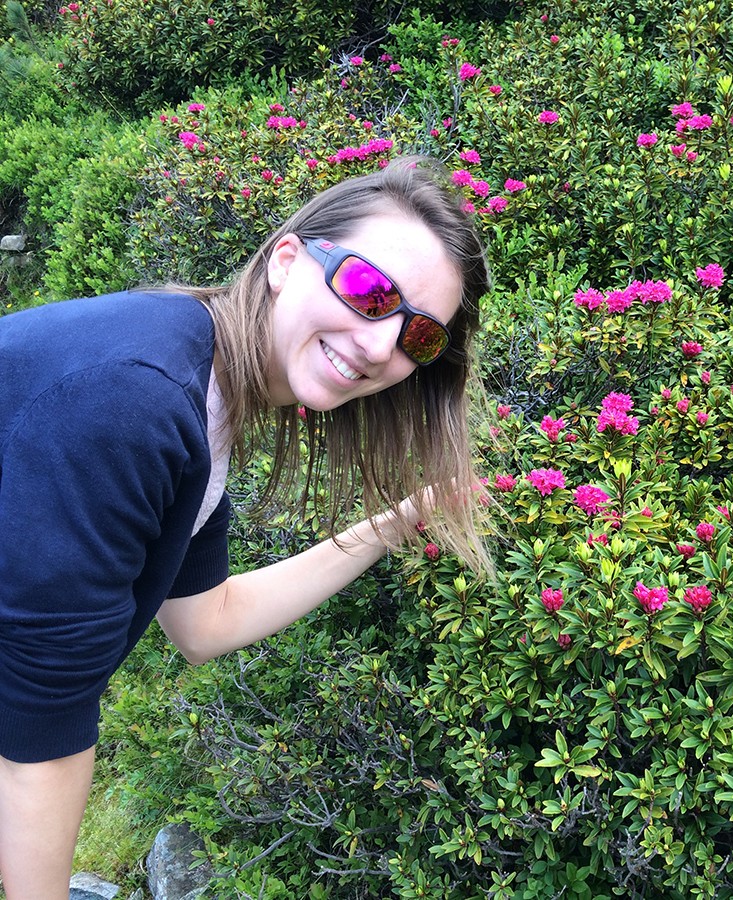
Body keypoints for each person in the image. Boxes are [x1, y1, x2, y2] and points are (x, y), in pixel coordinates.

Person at [0, 155, 492, 899]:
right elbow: (39, 726)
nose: (379, 344)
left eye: (420, 337)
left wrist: (396, 523)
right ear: (287, 261)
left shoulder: (203, 390)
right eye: (368, 290)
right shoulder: (141, 399)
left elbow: (205, 622)